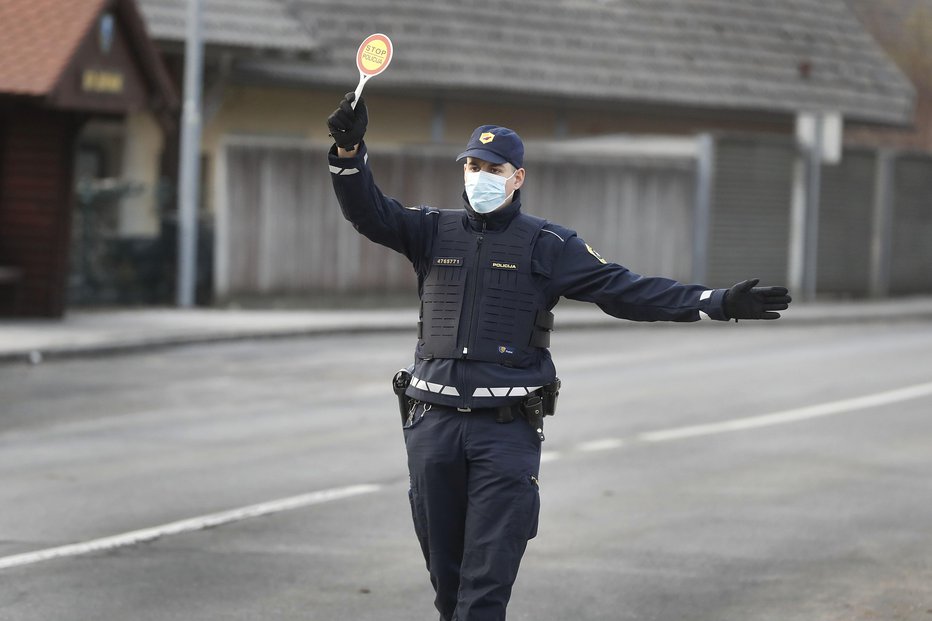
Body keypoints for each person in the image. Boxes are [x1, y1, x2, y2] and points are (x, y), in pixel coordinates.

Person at [327, 93, 791, 621]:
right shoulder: (432, 230)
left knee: (484, 589)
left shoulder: (549, 244)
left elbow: (625, 290)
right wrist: (348, 150)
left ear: (517, 177)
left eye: (493, 168)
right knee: (448, 588)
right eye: (472, 166)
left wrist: (715, 302)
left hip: (503, 432)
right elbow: (369, 211)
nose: (479, 176)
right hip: (431, 428)